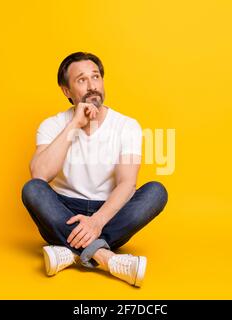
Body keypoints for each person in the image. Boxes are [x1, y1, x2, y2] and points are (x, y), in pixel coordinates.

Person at [21, 52, 168, 287]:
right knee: (32, 190)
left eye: (96, 77)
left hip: (109, 211)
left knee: (156, 192)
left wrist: (97, 221)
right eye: (81, 80)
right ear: (66, 91)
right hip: (63, 212)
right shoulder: (52, 125)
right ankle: (106, 258)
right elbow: (40, 175)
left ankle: (70, 253)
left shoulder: (127, 126)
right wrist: (75, 124)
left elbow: (127, 183)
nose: (92, 86)